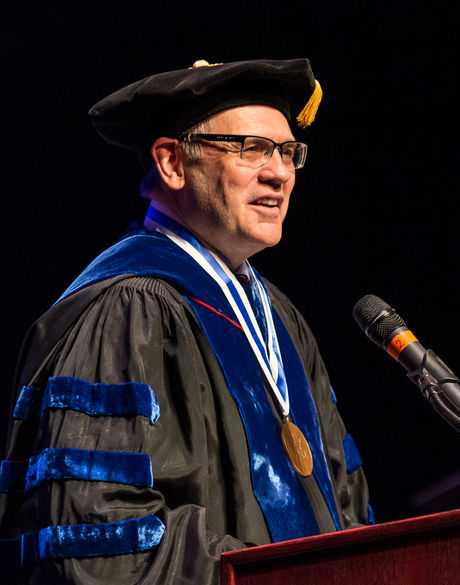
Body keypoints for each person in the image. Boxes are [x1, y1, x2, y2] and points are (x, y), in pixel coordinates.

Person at [0, 58, 372, 585]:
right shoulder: (128, 307)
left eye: (289, 152)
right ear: (172, 163)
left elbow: (347, 501)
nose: (280, 172)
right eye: (252, 149)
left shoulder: (280, 318)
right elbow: (95, 529)